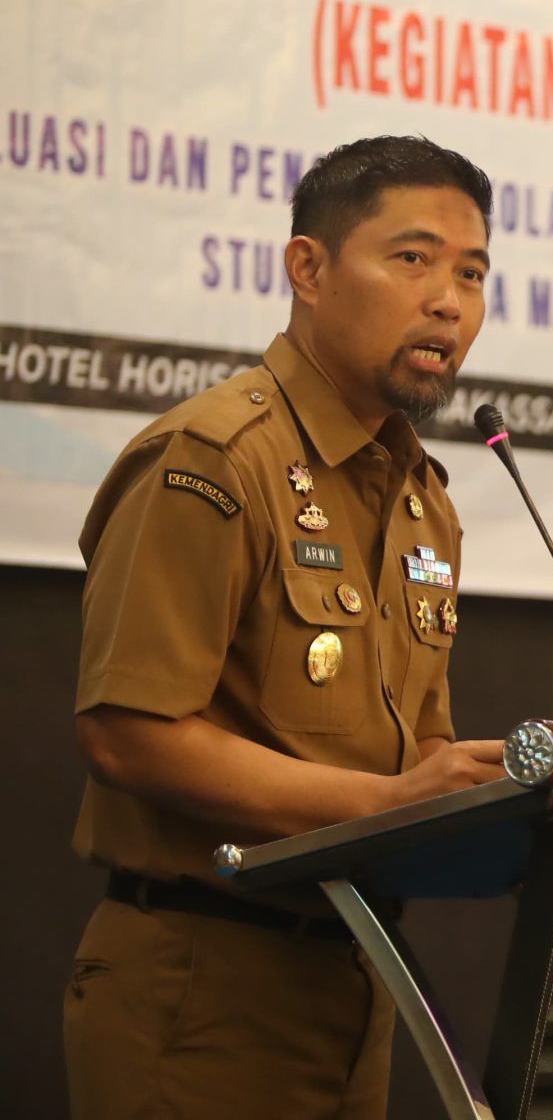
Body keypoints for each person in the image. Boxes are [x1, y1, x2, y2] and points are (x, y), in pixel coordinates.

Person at [64, 134, 509, 1119]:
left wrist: (499, 792)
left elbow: (413, 747)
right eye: (414, 258)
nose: (448, 301)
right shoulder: (215, 459)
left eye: (472, 274)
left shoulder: (423, 500)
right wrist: (389, 800)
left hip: (359, 982)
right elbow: (127, 732)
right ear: (308, 268)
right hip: (200, 989)